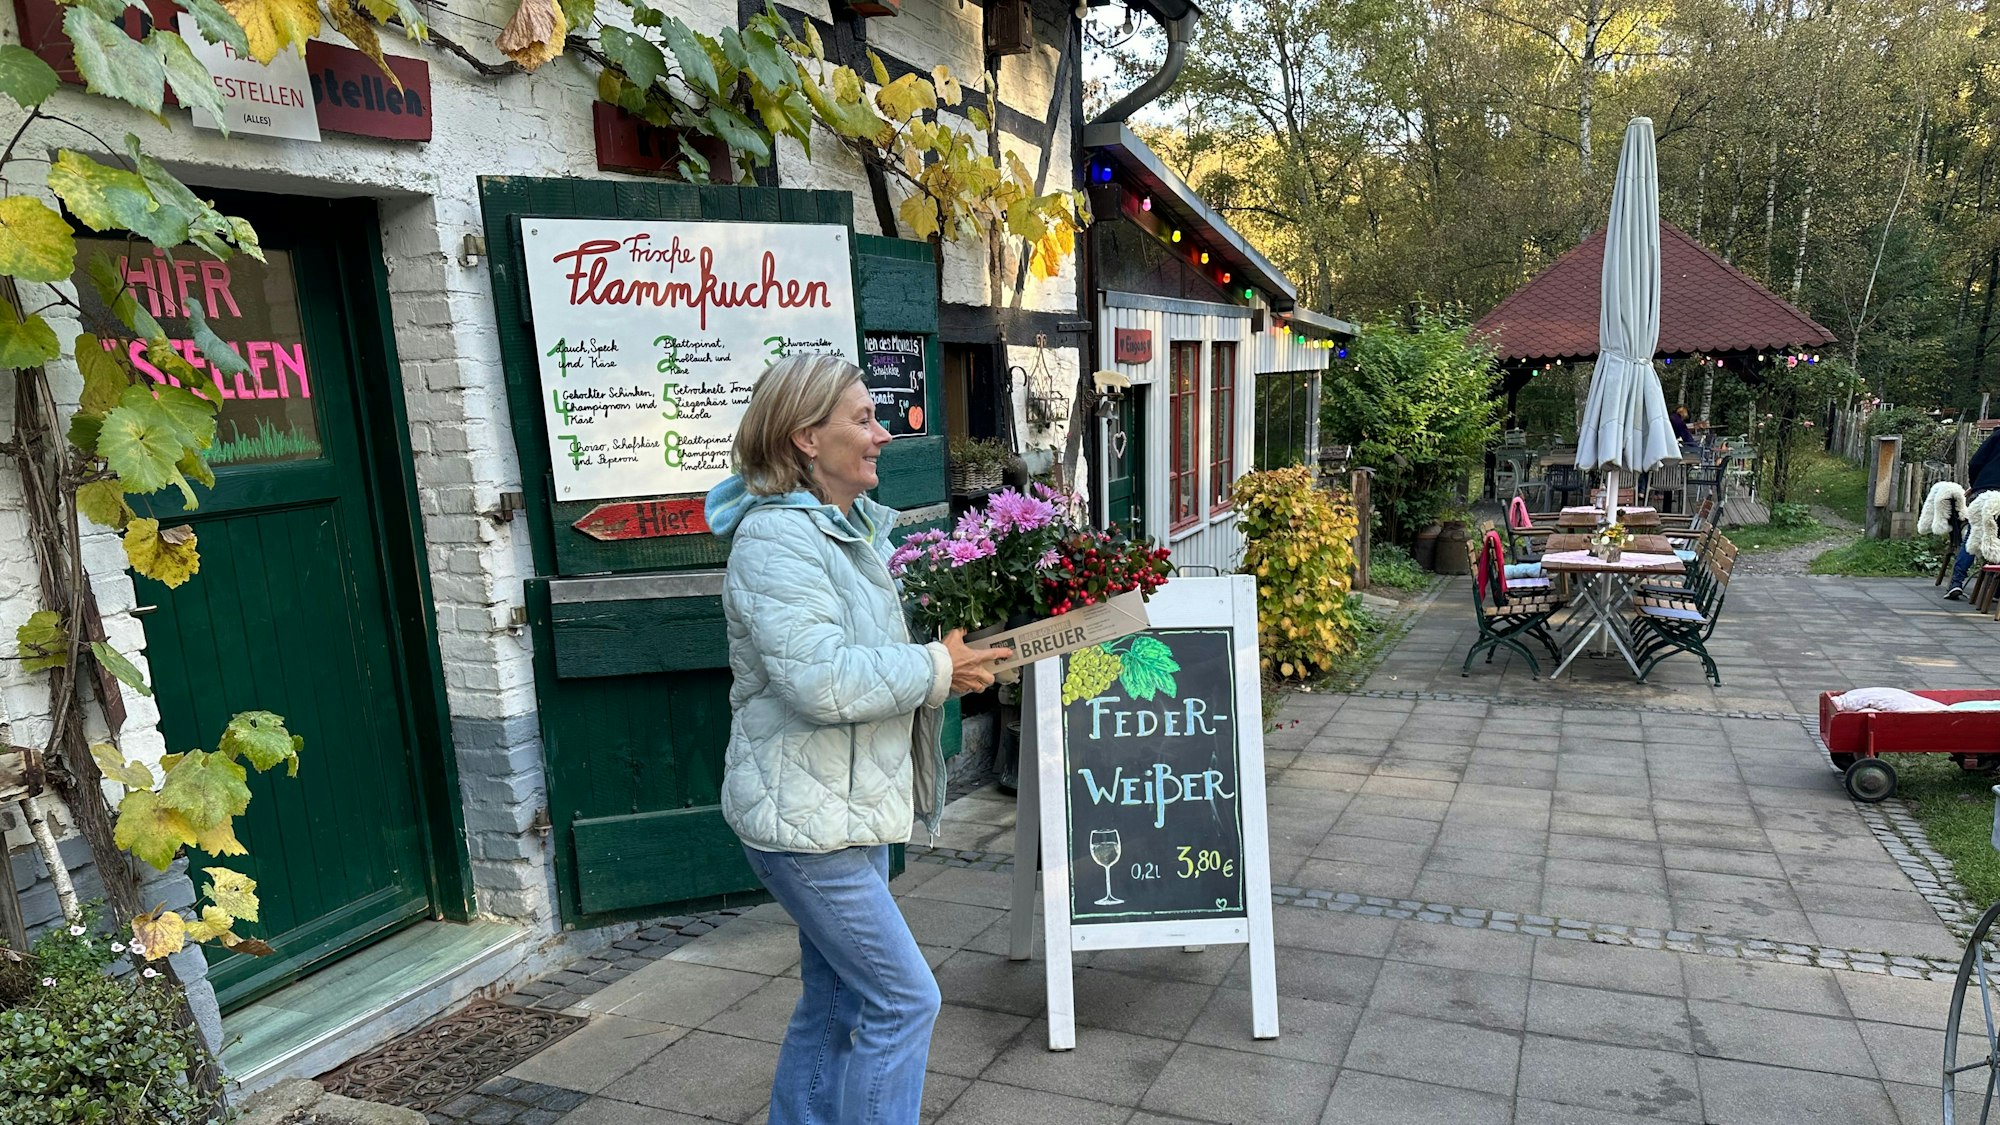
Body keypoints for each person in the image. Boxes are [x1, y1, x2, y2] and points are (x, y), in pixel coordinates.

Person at [704, 354, 1012, 1125]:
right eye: (862, 419)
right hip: (808, 828)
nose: (881, 435)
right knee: (906, 1000)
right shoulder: (778, 541)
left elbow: (863, 662)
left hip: (840, 813)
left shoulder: (839, 533)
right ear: (807, 437)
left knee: (837, 999)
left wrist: (946, 666)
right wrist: (936, 665)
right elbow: (822, 679)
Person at [1948, 426, 2000, 598]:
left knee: (1974, 535)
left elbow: (1975, 462)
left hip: (1984, 490)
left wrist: (1976, 483)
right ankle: (1995, 587)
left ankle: (1956, 582)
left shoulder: (1997, 435)